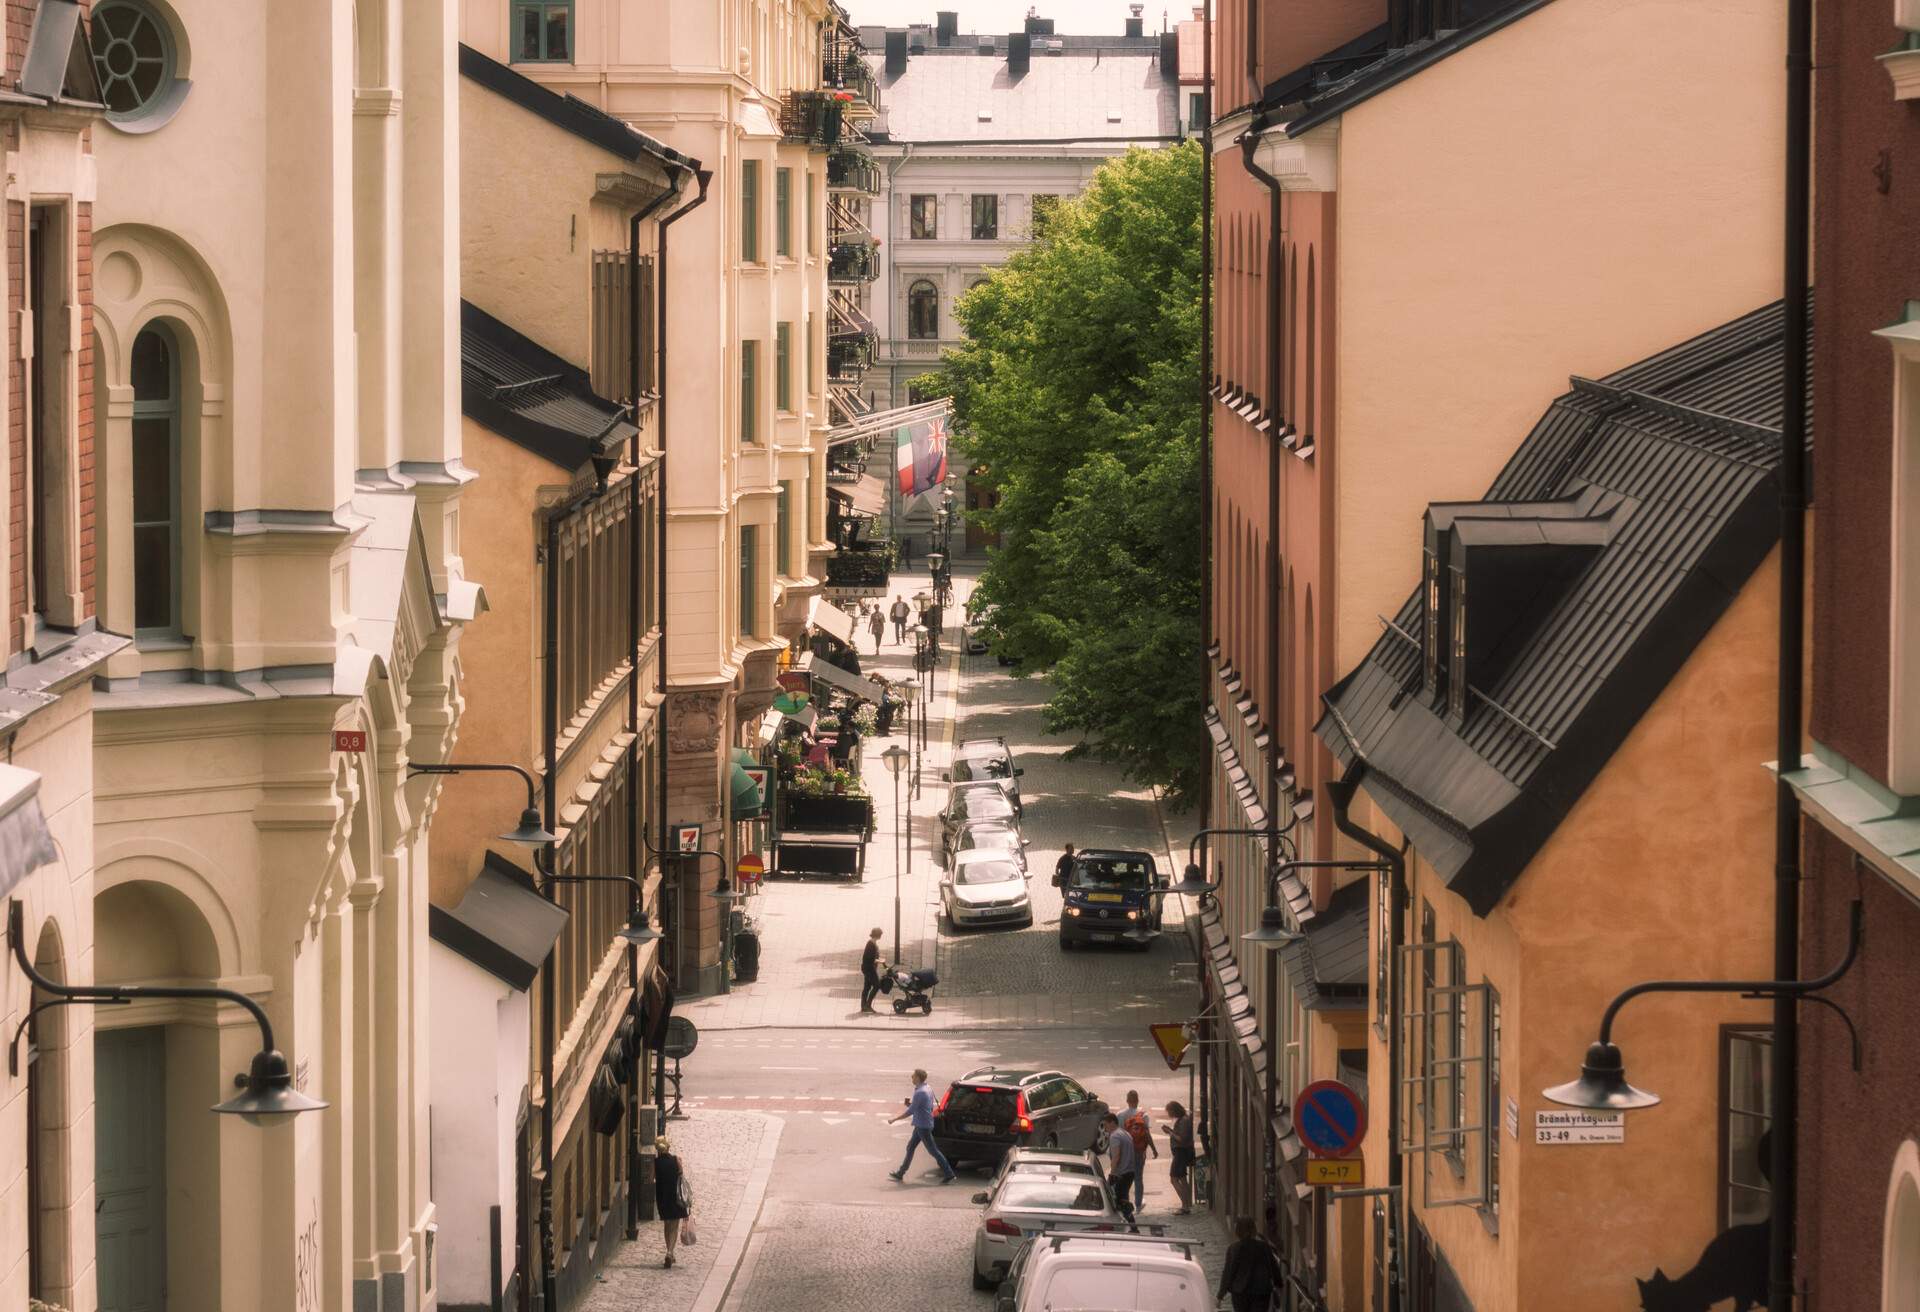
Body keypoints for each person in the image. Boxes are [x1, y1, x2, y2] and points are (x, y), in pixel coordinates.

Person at [888, 1068, 957, 1183]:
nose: (912, 1077)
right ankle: (901, 1173)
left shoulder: (920, 1092)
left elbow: (911, 1111)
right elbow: (925, 1107)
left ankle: (949, 1173)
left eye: (913, 1076)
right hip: (923, 1123)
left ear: (918, 1078)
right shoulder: (927, 1088)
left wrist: (895, 1119)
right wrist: (911, 1105)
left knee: (933, 1151)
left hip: (923, 1126)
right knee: (910, 1147)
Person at [1217, 1217, 1281, 1312]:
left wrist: (1220, 1295)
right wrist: (1278, 1284)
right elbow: (1273, 1267)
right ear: (1253, 1230)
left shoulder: (1233, 1248)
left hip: (1240, 1293)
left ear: (1237, 1231)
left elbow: (1228, 1273)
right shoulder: (1264, 1246)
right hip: (1261, 1292)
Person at [654, 1136, 691, 1269]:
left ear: (657, 1149)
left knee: (667, 1225)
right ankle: (670, 1252)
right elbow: (681, 1175)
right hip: (675, 1197)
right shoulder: (676, 1160)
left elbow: (652, 1178)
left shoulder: (655, 1163)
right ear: (668, 1147)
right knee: (674, 1226)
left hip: (662, 1197)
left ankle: (670, 1251)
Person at [1120, 1090, 1158, 1213]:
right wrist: (1153, 1149)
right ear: (1137, 1101)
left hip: (1124, 1151)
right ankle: (1138, 1205)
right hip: (1138, 1151)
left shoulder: (1120, 1115)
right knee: (1138, 1178)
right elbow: (1146, 1134)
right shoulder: (1143, 1116)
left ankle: (1122, 1202)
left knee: (1124, 1178)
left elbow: (1117, 1133)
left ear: (1127, 1100)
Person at [1100, 1112, 1138, 1230]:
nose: (1104, 1128)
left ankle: (1133, 1226)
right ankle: (1131, 1226)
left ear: (1112, 1122)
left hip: (1121, 1173)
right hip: (1130, 1171)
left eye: (1105, 1125)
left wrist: (1112, 1174)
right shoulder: (1125, 1133)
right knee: (1123, 1198)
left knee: (1119, 1201)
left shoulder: (1115, 1136)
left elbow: (1116, 1156)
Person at [1164, 1100, 1196, 1215]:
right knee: (1182, 1178)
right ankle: (1187, 1204)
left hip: (1181, 1152)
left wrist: (1170, 1132)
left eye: (1169, 1112)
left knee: (1174, 1179)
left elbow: (1181, 1139)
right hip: (1182, 1152)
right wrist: (1171, 1131)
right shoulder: (1184, 1120)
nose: (1169, 1114)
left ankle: (1185, 1205)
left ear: (1174, 1110)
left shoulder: (1184, 1121)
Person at [860, 927, 885, 1014]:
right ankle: (868, 1005)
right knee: (877, 985)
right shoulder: (871, 944)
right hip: (869, 969)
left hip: (868, 968)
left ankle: (864, 1006)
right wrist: (880, 961)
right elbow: (871, 959)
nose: (881, 936)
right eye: (880, 934)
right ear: (878, 935)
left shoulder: (872, 943)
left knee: (867, 987)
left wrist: (879, 959)